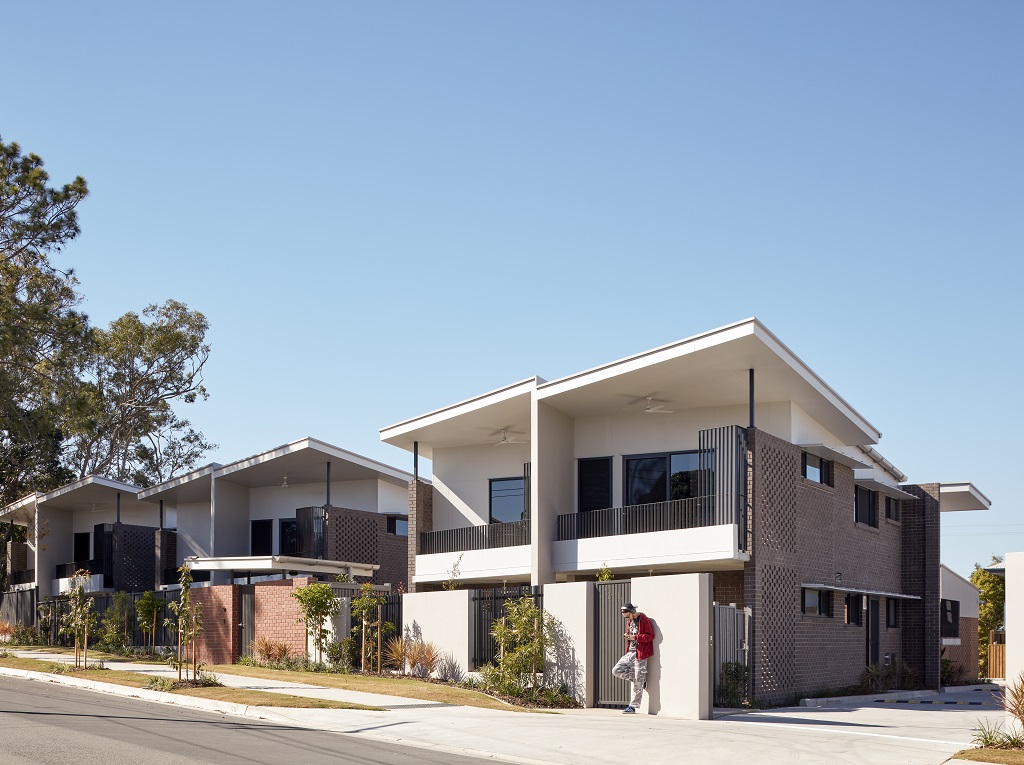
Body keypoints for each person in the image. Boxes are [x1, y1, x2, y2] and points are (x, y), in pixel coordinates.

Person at [611, 602, 653, 714]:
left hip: (641, 654)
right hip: (630, 652)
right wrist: (628, 637)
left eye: (627, 615)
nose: (626, 619)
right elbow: (631, 635)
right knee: (616, 670)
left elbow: (650, 636)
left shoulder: (643, 619)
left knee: (637, 680)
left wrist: (635, 637)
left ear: (632, 612)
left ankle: (632, 706)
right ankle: (640, 680)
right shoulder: (630, 621)